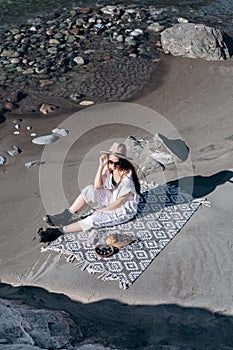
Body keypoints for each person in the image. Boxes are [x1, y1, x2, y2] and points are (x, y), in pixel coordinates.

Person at [38, 143, 141, 243]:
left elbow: (119, 202)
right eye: (111, 162)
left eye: (117, 163)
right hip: (113, 197)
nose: (113, 165)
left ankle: (59, 232)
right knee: (89, 190)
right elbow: (97, 186)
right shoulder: (109, 167)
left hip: (125, 208)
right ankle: (66, 216)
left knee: (93, 219)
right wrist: (101, 166)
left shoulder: (127, 177)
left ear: (122, 162)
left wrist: (101, 211)